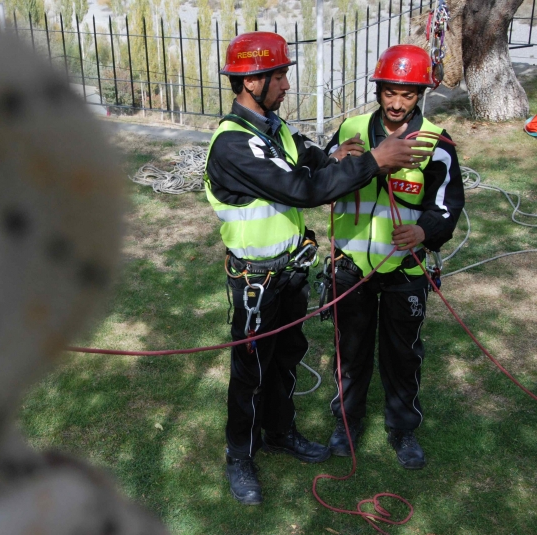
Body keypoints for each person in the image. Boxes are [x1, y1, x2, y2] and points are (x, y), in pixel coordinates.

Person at [205, 32, 434, 505]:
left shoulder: (272, 128)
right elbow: (302, 188)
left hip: (286, 274)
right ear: (253, 81)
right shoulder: (233, 144)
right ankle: (240, 456)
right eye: (281, 75)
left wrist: (337, 155)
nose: (288, 84)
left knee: (286, 357)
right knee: (251, 370)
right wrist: (373, 159)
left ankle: (280, 431)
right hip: (254, 280)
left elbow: (308, 158)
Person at [323, 44, 465, 470]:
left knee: (403, 354)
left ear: (420, 94)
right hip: (351, 266)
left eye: (407, 94)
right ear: (379, 89)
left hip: (405, 268)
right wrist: (335, 161)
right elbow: (321, 181)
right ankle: (346, 424)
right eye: (390, 92)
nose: (397, 103)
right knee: (350, 350)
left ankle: (402, 430)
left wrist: (425, 230)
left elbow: (448, 203)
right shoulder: (350, 128)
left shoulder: (436, 143)